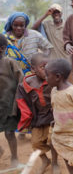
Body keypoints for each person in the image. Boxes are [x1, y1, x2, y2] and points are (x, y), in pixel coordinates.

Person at [16, 53, 59, 174]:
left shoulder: (54, 80)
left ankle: (55, 162)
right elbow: (21, 101)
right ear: (33, 69)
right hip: (38, 118)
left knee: (53, 140)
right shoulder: (26, 84)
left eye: (49, 66)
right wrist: (26, 118)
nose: (47, 70)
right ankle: (45, 160)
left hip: (53, 117)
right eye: (43, 67)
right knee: (36, 143)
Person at [0, 34, 23, 167]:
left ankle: (14, 157)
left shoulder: (10, 62)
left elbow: (21, 82)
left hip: (9, 105)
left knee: (9, 133)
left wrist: (18, 103)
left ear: (2, 48)